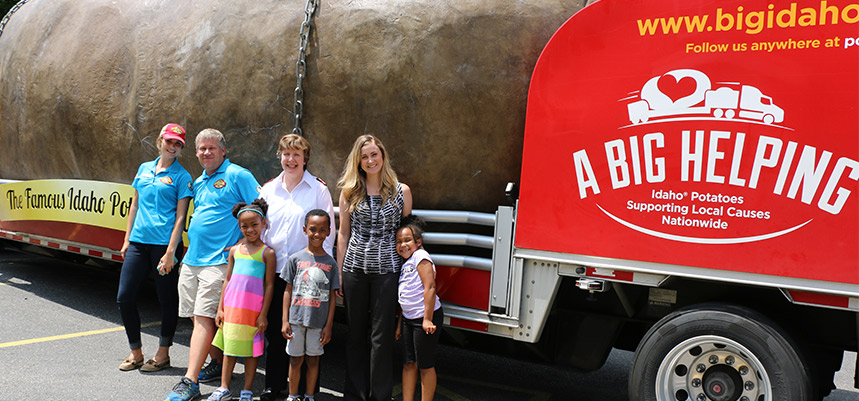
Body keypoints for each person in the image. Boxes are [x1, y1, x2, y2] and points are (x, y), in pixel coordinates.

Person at [165, 128, 261, 401]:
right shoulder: (200, 180)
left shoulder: (237, 175)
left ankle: (190, 381)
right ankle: (217, 364)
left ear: (223, 150)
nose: (206, 153)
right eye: (202, 149)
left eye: (212, 148)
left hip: (218, 262)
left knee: (204, 320)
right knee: (197, 317)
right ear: (196, 153)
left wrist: (245, 242)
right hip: (193, 259)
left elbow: (261, 208)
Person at [258, 134, 335, 401]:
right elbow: (263, 229)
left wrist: (326, 270)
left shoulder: (318, 189)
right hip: (276, 270)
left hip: (309, 274)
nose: (291, 160)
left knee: (309, 331)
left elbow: (330, 232)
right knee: (277, 332)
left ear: (305, 159)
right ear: (280, 156)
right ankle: (273, 385)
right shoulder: (268, 189)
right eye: (286, 154)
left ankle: (306, 390)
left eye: (297, 155)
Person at [337, 134, 412, 401]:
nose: (370, 160)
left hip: (388, 272)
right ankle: (355, 395)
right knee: (355, 335)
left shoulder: (400, 191)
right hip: (355, 269)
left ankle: (379, 395)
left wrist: (408, 273)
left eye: (374, 155)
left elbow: (406, 235)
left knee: (381, 339)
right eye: (364, 156)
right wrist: (340, 274)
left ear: (383, 156)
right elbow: (343, 234)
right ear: (358, 161)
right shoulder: (349, 192)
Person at [117, 123, 192, 372]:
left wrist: (171, 252)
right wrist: (128, 239)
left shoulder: (182, 176)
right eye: (169, 141)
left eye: (178, 144)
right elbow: (134, 205)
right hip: (139, 243)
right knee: (124, 296)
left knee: (166, 299)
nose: (173, 147)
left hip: (164, 248)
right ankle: (136, 352)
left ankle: (163, 353)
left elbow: (181, 216)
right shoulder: (144, 168)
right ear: (160, 140)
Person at [207, 199, 277, 401]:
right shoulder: (235, 251)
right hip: (232, 309)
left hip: (253, 312)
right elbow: (227, 279)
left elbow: (269, 285)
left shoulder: (268, 253)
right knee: (229, 349)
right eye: (244, 226)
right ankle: (223, 387)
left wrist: (263, 314)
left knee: (250, 352)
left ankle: (247, 390)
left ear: (263, 224)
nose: (250, 229)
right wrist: (220, 309)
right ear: (239, 227)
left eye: (254, 224)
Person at [281, 209, 339, 401]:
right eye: (313, 229)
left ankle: (309, 396)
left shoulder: (330, 264)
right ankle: (292, 395)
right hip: (296, 320)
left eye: (322, 230)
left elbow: (332, 298)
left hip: (318, 323)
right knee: (296, 360)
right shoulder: (295, 259)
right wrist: (285, 321)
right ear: (305, 230)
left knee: (313, 360)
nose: (317, 234)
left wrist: (329, 326)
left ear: (329, 232)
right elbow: (287, 291)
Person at [394, 215, 443, 401]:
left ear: (418, 242)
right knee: (408, 363)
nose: (402, 245)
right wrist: (400, 324)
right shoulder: (406, 262)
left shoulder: (421, 257)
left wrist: (427, 319)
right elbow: (404, 298)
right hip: (409, 319)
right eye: (398, 242)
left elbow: (429, 287)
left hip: (425, 319)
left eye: (407, 240)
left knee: (425, 365)